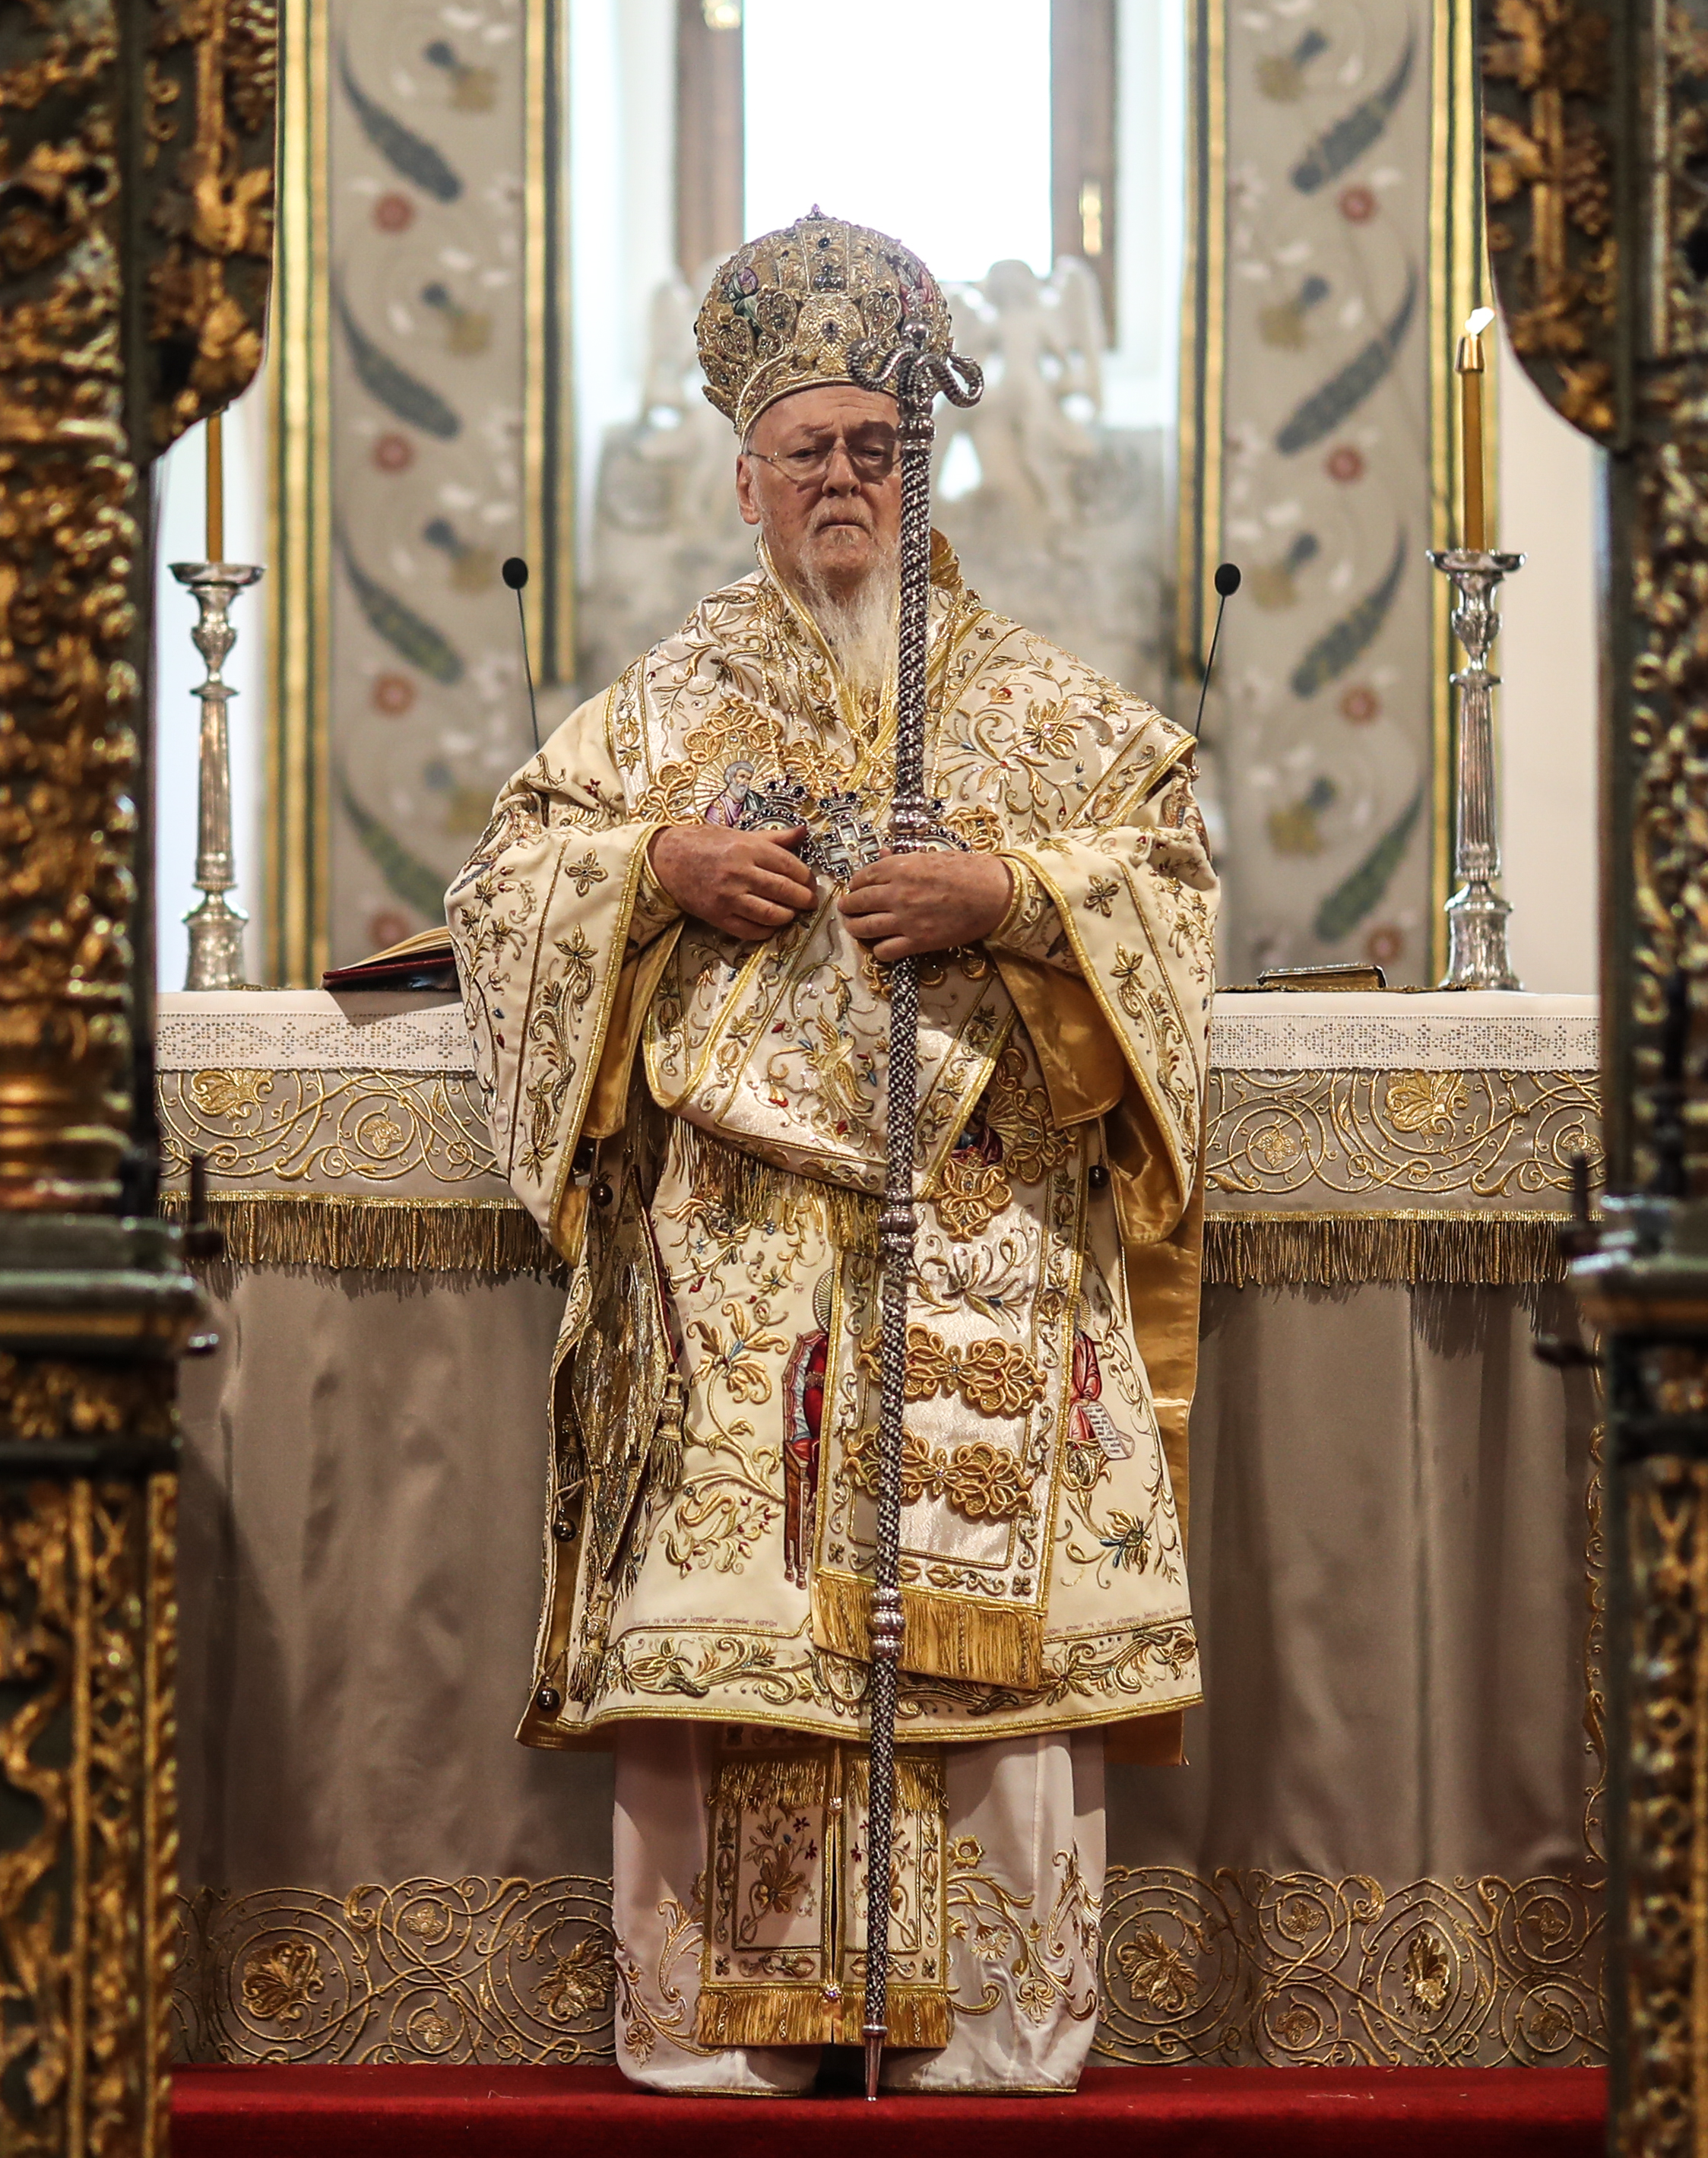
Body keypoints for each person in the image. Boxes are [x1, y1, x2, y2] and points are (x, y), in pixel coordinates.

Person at [448, 212, 1214, 2096]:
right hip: (736, 1271)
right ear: (746, 477)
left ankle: (995, 2039)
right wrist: (655, 870)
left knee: (991, 1644)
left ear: (920, 460)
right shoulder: (660, 710)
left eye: (879, 444)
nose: (849, 478)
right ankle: (728, 2048)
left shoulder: (1038, 705)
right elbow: (506, 888)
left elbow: (1173, 881)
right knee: (741, 1627)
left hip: (985, 1245)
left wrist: (1016, 895)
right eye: (814, 449)